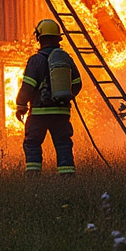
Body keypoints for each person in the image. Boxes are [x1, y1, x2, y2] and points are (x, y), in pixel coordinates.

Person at [15, 19, 83, 175]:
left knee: (32, 144)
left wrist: (21, 106)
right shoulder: (65, 59)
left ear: (40, 38)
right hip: (61, 113)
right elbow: (78, 83)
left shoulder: (35, 61)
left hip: (39, 113)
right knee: (63, 144)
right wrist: (67, 96)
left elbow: (28, 86)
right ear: (58, 38)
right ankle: (67, 176)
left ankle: (33, 177)